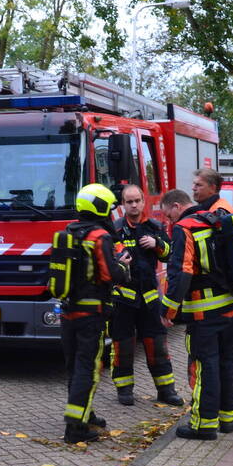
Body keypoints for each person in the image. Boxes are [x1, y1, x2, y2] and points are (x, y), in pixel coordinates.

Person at [160, 188, 233, 440]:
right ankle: (231, 418)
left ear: (176, 207)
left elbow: (180, 274)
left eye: (168, 216)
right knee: (228, 363)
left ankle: (203, 425)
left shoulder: (185, 228)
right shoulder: (216, 220)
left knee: (205, 367)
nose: (169, 222)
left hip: (205, 314)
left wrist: (168, 311)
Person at [56, 183, 131, 444]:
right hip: (91, 315)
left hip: (68, 313)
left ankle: (85, 415)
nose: (111, 214)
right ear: (99, 207)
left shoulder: (70, 231)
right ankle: (75, 429)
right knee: (87, 369)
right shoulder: (99, 236)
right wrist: (123, 266)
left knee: (75, 367)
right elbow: (110, 275)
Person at [110, 184, 183, 407]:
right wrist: (118, 258)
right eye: (128, 201)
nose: (133, 205)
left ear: (143, 202)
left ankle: (166, 390)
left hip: (150, 299)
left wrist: (157, 243)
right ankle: (124, 390)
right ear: (122, 205)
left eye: (136, 201)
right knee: (123, 345)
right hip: (123, 299)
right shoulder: (114, 229)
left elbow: (170, 254)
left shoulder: (155, 226)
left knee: (157, 345)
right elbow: (107, 258)